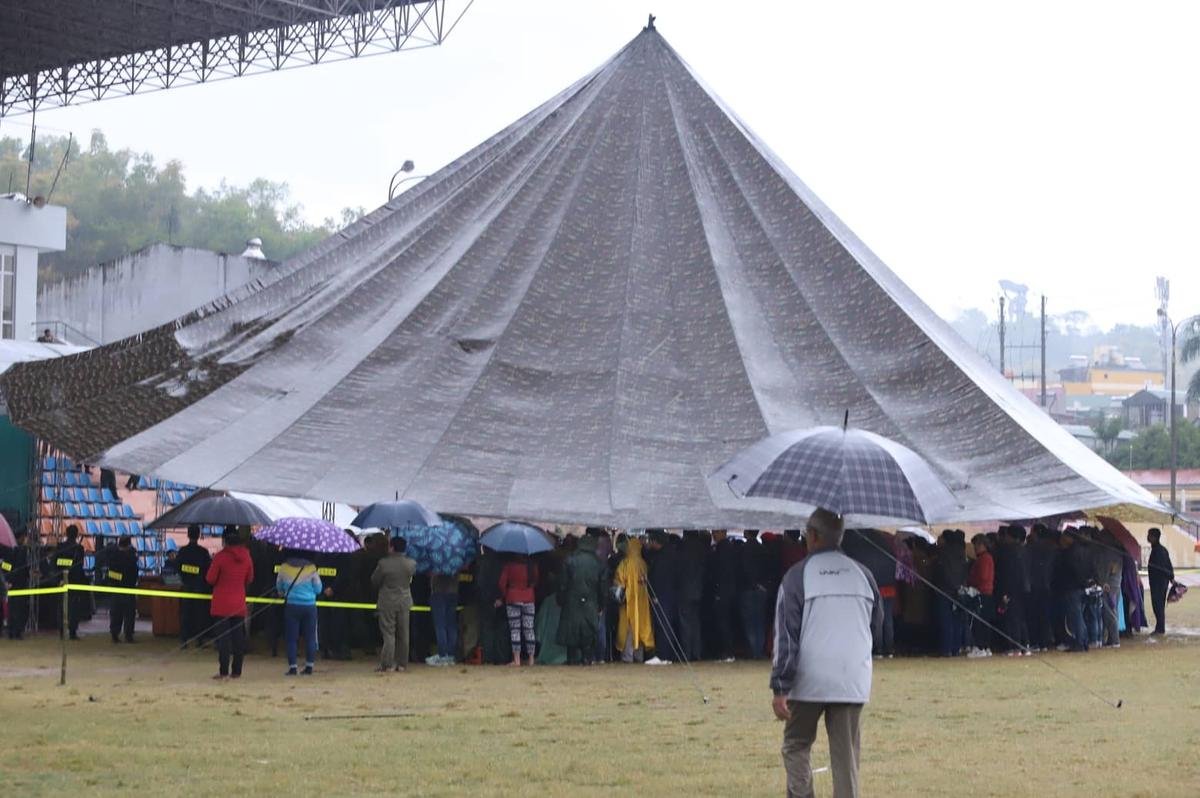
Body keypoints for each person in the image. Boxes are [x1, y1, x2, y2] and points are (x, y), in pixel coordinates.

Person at [772, 509, 882, 798]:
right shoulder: (864, 575)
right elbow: (876, 627)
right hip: (852, 676)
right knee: (846, 758)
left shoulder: (796, 576)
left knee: (796, 744)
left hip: (810, 678)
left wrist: (780, 686)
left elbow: (786, 636)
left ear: (812, 535)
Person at [206, 526, 254, 679]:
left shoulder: (220, 557)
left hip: (221, 604)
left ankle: (223, 671)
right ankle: (237, 671)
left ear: (225, 540)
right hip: (239, 603)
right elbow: (250, 578)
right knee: (238, 638)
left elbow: (210, 579)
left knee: (224, 640)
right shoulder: (247, 556)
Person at [557, 532, 605, 665]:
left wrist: (561, 599)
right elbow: (603, 586)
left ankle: (572, 659)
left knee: (572, 628)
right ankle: (587, 658)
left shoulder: (570, 559)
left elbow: (563, 583)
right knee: (588, 629)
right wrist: (601, 605)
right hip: (591, 601)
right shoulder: (599, 563)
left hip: (571, 600)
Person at [373, 536, 416, 672]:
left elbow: (375, 580)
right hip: (404, 601)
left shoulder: (383, 563)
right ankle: (402, 663)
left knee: (389, 634)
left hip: (387, 601)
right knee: (403, 633)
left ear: (391, 547)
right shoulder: (411, 564)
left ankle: (387, 663)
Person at [276, 549, 322, 676]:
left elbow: (279, 586)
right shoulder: (311, 568)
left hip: (292, 605)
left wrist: (283, 592)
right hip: (309, 606)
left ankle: (292, 667)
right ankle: (309, 666)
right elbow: (318, 589)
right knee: (310, 637)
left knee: (291, 638)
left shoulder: (284, 567)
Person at [614, 537, 654, 663]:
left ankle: (627, 657)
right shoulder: (643, 563)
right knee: (640, 628)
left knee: (628, 630)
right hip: (642, 603)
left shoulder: (625, 563)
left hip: (629, 602)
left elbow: (618, 582)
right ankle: (639, 656)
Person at [645, 529, 681, 662]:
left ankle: (663, 656)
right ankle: (667, 655)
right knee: (667, 624)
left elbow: (658, 578)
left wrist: (654, 595)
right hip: (671, 594)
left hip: (661, 595)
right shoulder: (672, 553)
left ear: (655, 541)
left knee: (662, 625)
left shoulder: (662, 557)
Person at [497, 553, 539, 667]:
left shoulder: (509, 566)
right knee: (529, 629)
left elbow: (502, 583)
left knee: (515, 630)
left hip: (513, 598)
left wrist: (504, 595)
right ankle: (531, 659)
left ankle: (517, 660)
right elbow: (535, 581)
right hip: (529, 598)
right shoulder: (532, 566)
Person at [1052, 530, 1090, 652]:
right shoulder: (1083, 550)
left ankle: (1079, 642)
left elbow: (1074, 570)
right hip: (1080, 587)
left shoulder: (1070, 553)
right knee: (1079, 615)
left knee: (1076, 616)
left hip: (1072, 587)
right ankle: (1083, 641)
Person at [176, 524, 212, 648]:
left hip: (186, 586)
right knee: (199, 614)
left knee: (186, 614)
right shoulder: (203, 552)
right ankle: (200, 640)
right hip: (199, 587)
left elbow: (178, 567)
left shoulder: (182, 551)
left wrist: (185, 577)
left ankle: (184, 640)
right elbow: (208, 569)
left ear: (188, 535)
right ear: (198, 536)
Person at [710, 529, 741, 661]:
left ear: (722, 532)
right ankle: (728, 651)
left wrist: (718, 592)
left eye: (715, 532)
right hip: (729, 591)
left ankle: (727, 652)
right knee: (726, 622)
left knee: (723, 622)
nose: (713, 535)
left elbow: (721, 573)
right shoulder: (729, 548)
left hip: (723, 592)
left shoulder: (722, 550)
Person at [739, 529, 770, 660]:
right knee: (760, 621)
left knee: (750, 622)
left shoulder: (743, 549)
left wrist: (752, 583)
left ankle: (753, 651)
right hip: (762, 589)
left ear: (747, 533)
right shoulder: (763, 549)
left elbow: (743, 569)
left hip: (747, 588)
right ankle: (759, 650)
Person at [677, 529, 707, 662]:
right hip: (698, 590)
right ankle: (697, 652)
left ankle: (686, 653)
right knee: (695, 623)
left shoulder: (682, 548)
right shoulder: (702, 548)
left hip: (684, 591)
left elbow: (679, 570)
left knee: (685, 623)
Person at [54, 525, 88, 640]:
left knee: (61, 607)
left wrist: (59, 578)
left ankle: (61, 631)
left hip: (61, 581)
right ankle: (72, 632)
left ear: (66, 534)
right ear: (76, 535)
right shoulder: (79, 548)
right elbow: (79, 566)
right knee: (73, 608)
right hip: (73, 581)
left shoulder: (60, 547)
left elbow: (56, 563)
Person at [104, 535, 139, 643]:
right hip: (129, 588)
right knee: (129, 614)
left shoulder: (113, 557)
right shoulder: (132, 558)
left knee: (116, 613)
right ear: (129, 544)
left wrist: (117, 581)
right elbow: (135, 573)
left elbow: (110, 574)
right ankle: (129, 635)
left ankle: (115, 634)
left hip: (116, 589)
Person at [966, 534, 995, 657]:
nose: (975, 548)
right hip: (986, 593)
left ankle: (980, 647)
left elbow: (983, 576)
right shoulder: (987, 558)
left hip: (981, 592)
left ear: (982, 545)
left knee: (979, 621)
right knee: (984, 621)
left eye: (976, 545)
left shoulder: (984, 558)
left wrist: (971, 581)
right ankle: (985, 647)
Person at [2, 527, 31, 640]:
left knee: (12, 607)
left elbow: (5, 566)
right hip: (20, 584)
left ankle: (11, 631)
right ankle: (17, 632)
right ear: (22, 538)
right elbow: (21, 569)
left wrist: (8, 580)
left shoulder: (10, 551)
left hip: (12, 584)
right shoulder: (22, 551)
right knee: (19, 608)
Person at [1147, 528, 1175, 635]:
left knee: (1158, 605)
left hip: (1159, 583)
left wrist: (1170, 577)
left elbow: (1164, 567)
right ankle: (1159, 627)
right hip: (1157, 583)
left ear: (1154, 537)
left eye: (1149, 535)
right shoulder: (1158, 549)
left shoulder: (1159, 551)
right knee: (1157, 605)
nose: (1148, 537)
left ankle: (1160, 628)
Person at [428, 570, 460, 666]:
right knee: (451, 625)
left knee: (440, 625)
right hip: (453, 592)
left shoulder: (437, 562)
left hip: (439, 592)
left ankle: (442, 655)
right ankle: (450, 655)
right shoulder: (454, 560)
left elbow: (433, 575)